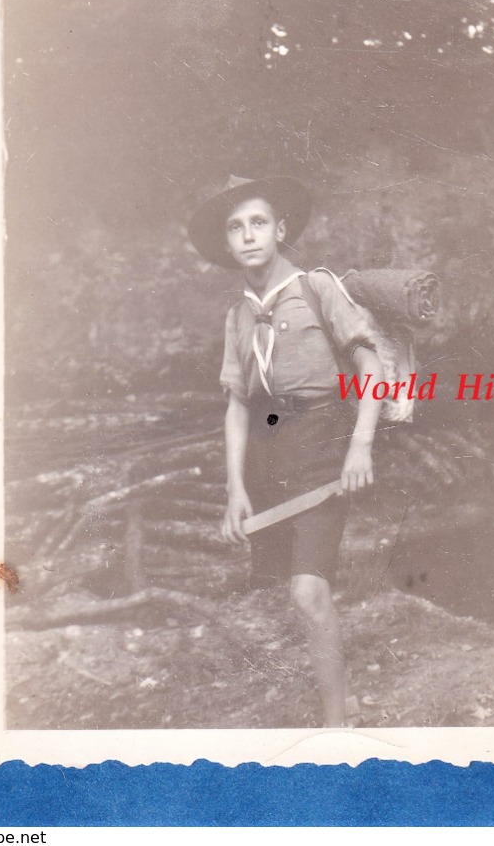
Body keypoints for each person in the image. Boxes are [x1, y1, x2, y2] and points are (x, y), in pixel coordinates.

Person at [187, 174, 385, 727]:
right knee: (298, 590)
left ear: (280, 229)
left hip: (324, 443)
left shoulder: (316, 288)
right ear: (227, 244)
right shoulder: (238, 315)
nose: (248, 235)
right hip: (269, 452)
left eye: (257, 222)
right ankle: (341, 697)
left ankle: (336, 726)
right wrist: (235, 490)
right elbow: (236, 406)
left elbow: (371, 367)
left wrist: (360, 448)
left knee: (307, 593)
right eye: (235, 227)